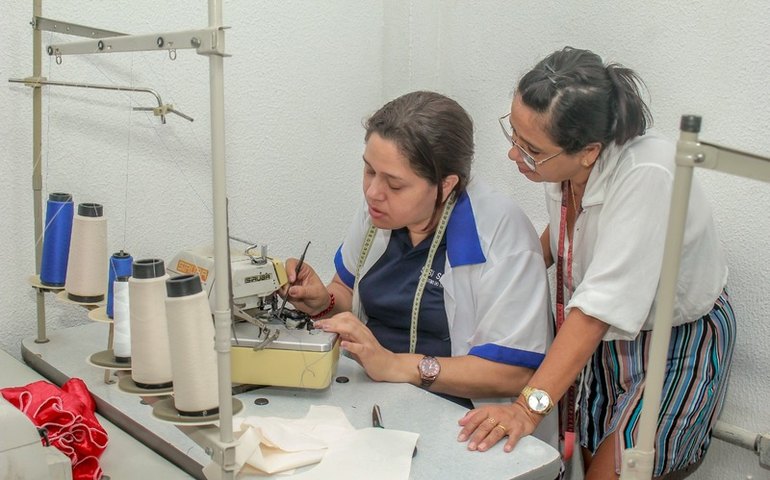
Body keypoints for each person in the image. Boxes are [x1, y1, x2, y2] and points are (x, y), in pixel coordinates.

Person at [457, 47, 736, 479]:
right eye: (513, 135)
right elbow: (568, 235)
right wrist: (504, 272)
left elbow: (595, 311)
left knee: (614, 470)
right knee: (580, 456)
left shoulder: (650, 176)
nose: (516, 156)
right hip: (602, 342)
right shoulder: (563, 167)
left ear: (588, 151)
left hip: (671, 342)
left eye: (530, 148)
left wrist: (526, 411)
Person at [283, 90, 557, 444]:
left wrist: (396, 365)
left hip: (463, 420)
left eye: (394, 183)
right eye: (369, 170)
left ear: (446, 185)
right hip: (375, 398)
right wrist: (323, 300)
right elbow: (348, 291)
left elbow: (513, 373)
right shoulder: (379, 213)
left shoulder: (500, 235)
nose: (372, 192)